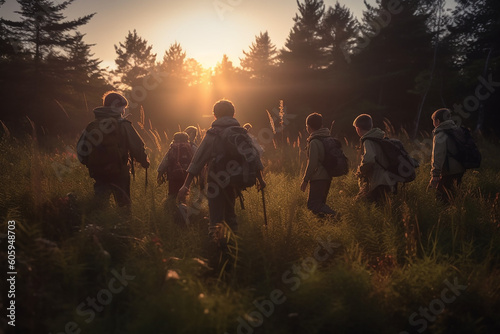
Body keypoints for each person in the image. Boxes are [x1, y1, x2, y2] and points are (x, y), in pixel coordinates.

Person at [178, 99, 266, 237]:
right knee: (230, 212)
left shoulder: (213, 134)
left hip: (216, 180)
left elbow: (198, 160)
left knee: (216, 216)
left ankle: (218, 249)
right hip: (235, 179)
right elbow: (253, 157)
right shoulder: (242, 132)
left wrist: (186, 185)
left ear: (215, 115)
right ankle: (234, 245)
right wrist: (260, 179)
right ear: (233, 114)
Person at [77, 91, 149, 211]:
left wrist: (92, 163)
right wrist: (144, 161)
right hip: (119, 171)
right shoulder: (123, 124)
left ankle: (96, 225)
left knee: (99, 204)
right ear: (116, 107)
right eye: (123, 107)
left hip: (98, 172)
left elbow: (81, 149)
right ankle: (123, 226)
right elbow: (137, 146)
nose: (124, 111)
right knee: (123, 205)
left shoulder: (92, 125)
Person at [300, 113, 338, 217]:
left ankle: (336, 216)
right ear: (321, 125)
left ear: (308, 127)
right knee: (320, 206)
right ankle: (325, 225)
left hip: (318, 178)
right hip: (327, 177)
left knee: (313, 205)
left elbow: (312, 163)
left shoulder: (314, 141)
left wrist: (305, 180)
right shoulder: (326, 138)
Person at [353, 114, 397, 203]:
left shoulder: (368, 140)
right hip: (389, 179)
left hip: (377, 181)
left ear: (357, 129)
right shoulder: (380, 138)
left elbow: (370, 159)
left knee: (364, 204)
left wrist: (361, 170)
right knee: (383, 207)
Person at [428, 108, 465, 202]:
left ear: (438, 121)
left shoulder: (440, 134)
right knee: (456, 196)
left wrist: (435, 174)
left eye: (433, 121)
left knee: (442, 198)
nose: (433, 123)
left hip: (449, 171)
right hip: (461, 169)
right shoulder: (458, 130)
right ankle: (459, 213)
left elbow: (438, 155)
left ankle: (447, 215)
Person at [157, 132, 193, 199]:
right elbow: (196, 159)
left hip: (173, 175)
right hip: (186, 175)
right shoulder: (189, 147)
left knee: (172, 194)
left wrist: (160, 172)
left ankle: (171, 206)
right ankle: (182, 206)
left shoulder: (173, 147)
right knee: (184, 195)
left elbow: (165, 160)